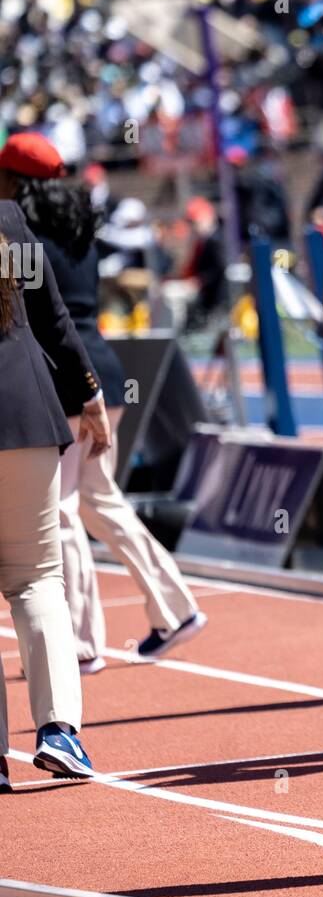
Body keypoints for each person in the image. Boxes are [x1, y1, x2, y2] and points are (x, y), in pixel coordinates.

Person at [6, 134, 208, 666]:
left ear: (15, 182)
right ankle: (175, 608)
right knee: (100, 500)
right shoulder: (77, 232)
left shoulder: (24, 238)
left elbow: (45, 323)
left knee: (64, 509)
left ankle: (78, 643)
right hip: (105, 373)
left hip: (66, 380)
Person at [0, 135, 112, 791]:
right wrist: (91, 395)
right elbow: (54, 322)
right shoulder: (14, 228)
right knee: (38, 579)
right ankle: (60, 731)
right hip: (24, 414)